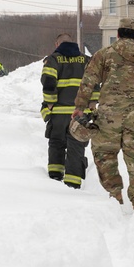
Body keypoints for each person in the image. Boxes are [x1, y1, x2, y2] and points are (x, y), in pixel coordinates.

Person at [72, 18, 134, 210]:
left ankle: (114, 195)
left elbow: (88, 81)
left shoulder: (104, 55)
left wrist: (80, 106)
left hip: (108, 116)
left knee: (105, 155)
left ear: (118, 34)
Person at [41, 33, 98, 189]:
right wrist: (93, 103)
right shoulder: (86, 60)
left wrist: (50, 103)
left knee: (56, 144)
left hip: (59, 113)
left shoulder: (53, 60)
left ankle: (54, 179)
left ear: (57, 44)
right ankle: (73, 184)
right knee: (76, 147)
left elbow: (48, 82)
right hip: (80, 114)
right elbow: (95, 82)